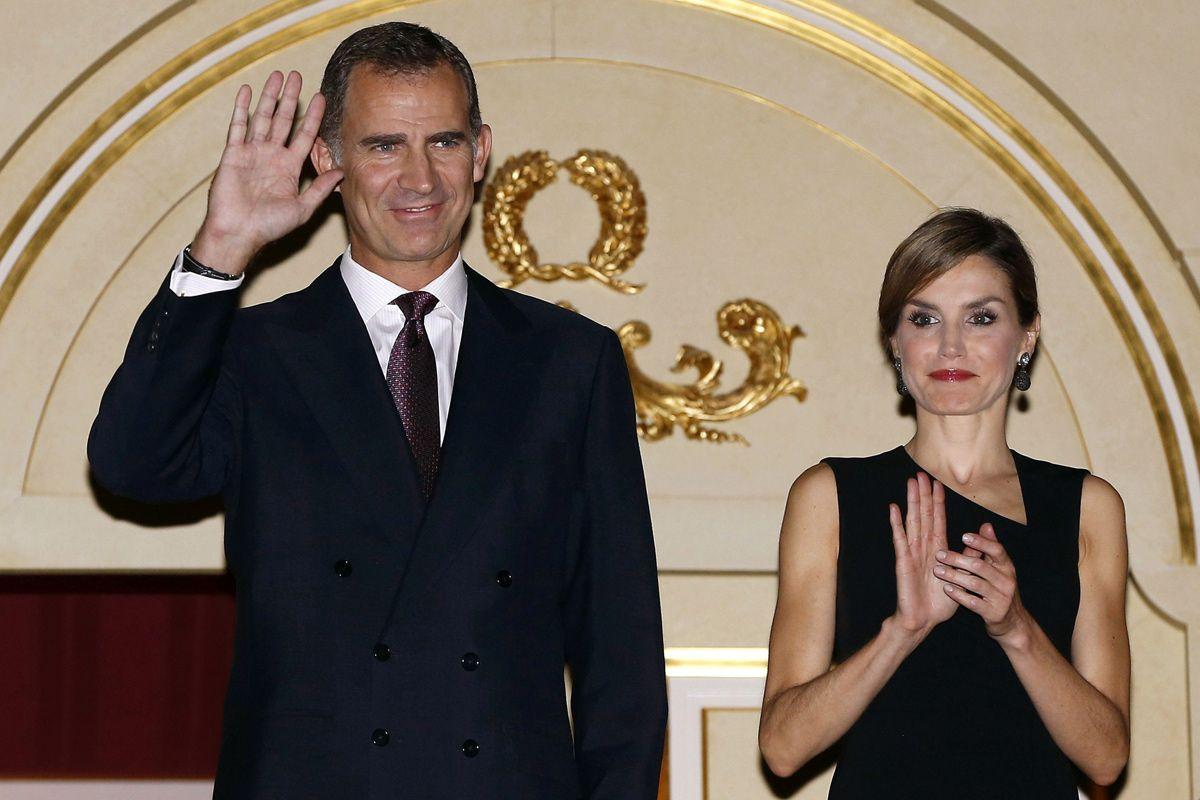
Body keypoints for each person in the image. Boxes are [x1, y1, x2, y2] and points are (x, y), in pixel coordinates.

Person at [88, 22, 666, 800]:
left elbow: (620, 648)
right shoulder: (258, 352)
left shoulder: (570, 360)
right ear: (329, 159)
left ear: (482, 150)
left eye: (446, 143)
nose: (421, 179)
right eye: (385, 145)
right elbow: (132, 465)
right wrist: (221, 247)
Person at [758, 208, 1130, 798]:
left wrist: (1016, 629)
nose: (950, 345)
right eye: (925, 319)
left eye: (981, 318)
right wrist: (902, 632)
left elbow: (1107, 758)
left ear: (1027, 335)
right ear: (895, 341)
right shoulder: (829, 496)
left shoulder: (1086, 507)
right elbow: (782, 747)